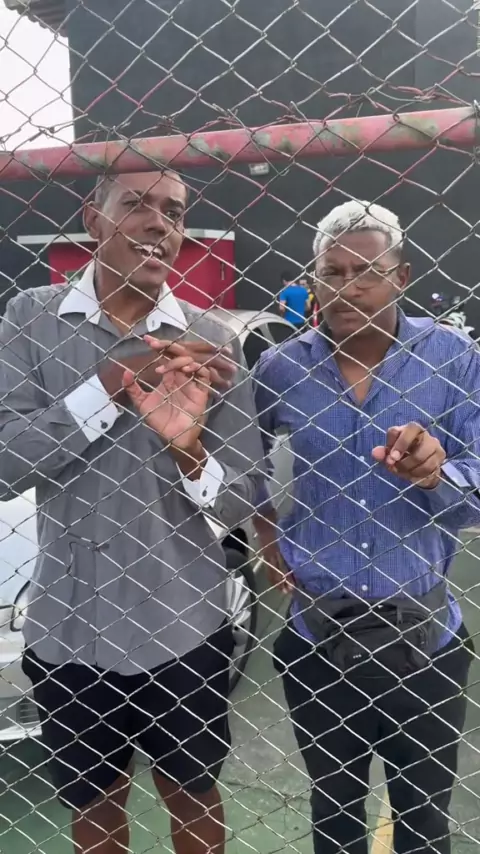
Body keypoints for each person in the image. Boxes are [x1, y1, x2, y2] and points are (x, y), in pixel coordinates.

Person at [0, 168, 265, 854]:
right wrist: (110, 387)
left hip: (182, 621)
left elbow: (243, 493)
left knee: (194, 795)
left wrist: (189, 451)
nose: (157, 224)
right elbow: (7, 464)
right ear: (93, 219)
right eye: (137, 205)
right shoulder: (31, 319)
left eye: (173, 212)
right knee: (92, 805)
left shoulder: (211, 341)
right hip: (70, 621)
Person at [252, 199, 480, 854]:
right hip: (317, 640)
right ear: (313, 279)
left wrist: (439, 475)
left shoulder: (453, 358)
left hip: (426, 641)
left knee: (424, 827)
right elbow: (243, 468)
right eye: (332, 272)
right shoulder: (280, 369)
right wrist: (266, 537)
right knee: (335, 820)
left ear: (401, 276)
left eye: (366, 272)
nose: (347, 288)